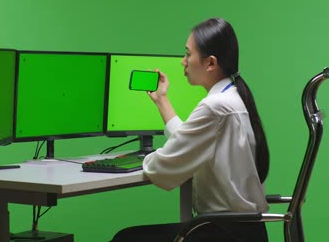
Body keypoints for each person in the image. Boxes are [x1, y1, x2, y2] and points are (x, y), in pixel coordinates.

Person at [110, 17, 270, 242]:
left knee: (125, 239)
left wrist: (143, 159)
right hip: (246, 231)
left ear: (210, 63)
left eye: (188, 54)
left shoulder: (215, 107)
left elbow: (160, 168)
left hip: (221, 233)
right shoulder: (233, 97)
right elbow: (191, 143)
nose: (183, 62)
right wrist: (161, 100)